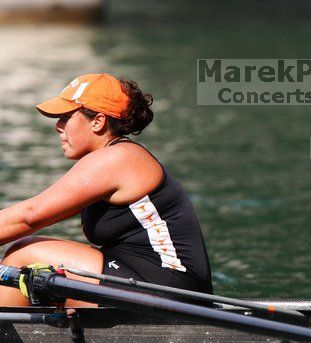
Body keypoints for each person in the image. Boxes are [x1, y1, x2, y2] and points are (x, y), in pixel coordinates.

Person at [0, 73, 212, 307]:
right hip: (143, 281)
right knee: (38, 276)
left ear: (98, 122)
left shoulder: (117, 159)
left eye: (65, 117)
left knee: (24, 255)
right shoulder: (109, 160)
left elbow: (28, 216)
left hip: (171, 289)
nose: (58, 127)